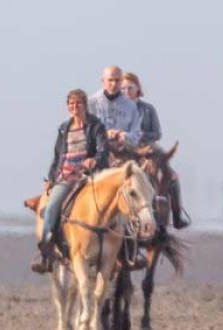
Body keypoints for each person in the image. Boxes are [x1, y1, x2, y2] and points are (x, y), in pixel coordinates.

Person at [31, 89, 109, 272]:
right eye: (71, 104)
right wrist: (51, 179)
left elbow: (103, 152)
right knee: (51, 207)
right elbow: (58, 156)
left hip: (88, 178)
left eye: (79, 103)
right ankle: (46, 252)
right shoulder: (64, 128)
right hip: (66, 177)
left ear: (85, 105)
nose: (75, 107)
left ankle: (122, 248)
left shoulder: (96, 126)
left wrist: (95, 160)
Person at [123, 72, 190, 229]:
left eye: (130, 88)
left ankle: (177, 215)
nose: (126, 91)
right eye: (123, 88)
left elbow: (157, 133)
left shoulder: (148, 109)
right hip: (128, 151)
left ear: (137, 88)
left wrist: (142, 137)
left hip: (149, 149)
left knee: (172, 177)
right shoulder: (119, 110)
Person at [89, 66, 143, 151]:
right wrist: (104, 135)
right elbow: (84, 131)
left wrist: (124, 136)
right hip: (97, 153)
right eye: (110, 80)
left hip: (123, 154)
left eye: (117, 80)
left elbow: (137, 134)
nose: (114, 84)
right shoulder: (91, 103)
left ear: (121, 82)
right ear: (103, 81)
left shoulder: (130, 105)